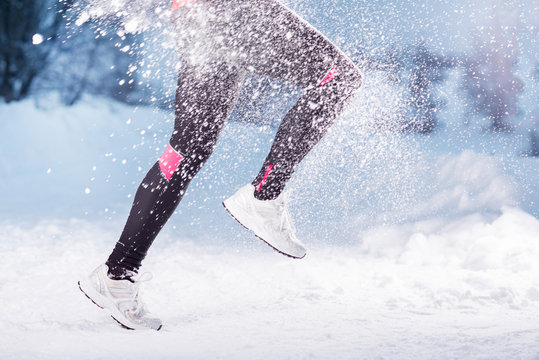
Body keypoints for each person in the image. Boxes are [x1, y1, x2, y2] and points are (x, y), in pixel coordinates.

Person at [78, 0, 362, 331]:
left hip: (196, 19)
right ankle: (264, 197)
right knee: (338, 78)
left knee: (185, 150)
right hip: (233, 10)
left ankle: (118, 273)